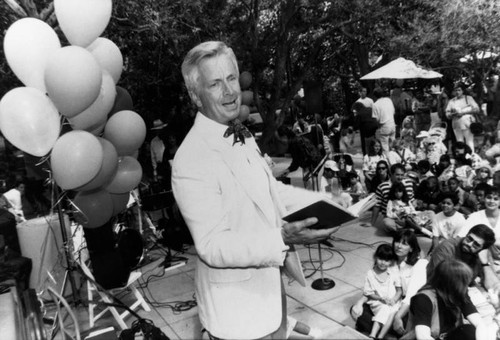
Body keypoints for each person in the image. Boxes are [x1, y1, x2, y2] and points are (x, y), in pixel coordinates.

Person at [171, 41, 339, 340]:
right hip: (237, 314)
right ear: (196, 96)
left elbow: (270, 190)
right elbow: (212, 245)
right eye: (215, 84)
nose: (230, 91)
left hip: (272, 294)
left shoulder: (242, 134)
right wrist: (281, 238)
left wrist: (327, 203)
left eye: (232, 78)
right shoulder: (191, 157)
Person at [352, 230, 427, 336]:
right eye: (397, 241)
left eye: (404, 244)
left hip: (409, 308)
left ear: (411, 248)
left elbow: (410, 297)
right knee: (357, 310)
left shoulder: (420, 264)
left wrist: (398, 317)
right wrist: (359, 303)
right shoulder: (388, 259)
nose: (399, 246)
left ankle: (384, 331)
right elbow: (373, 285)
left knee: (395, 320)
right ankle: (386, 332)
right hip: (389, 302)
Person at [402, 260, 491, 340]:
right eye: (464, 282)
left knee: (469, 330)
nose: (467, 286)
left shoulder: (460, 294)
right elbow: (422, 336)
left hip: (446, 336)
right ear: (452, 283)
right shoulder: (423, 298)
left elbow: (480, 324)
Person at [363, 244, 403, 339]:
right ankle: (373, 334)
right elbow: (369, 293)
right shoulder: (370, 274)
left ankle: (379, 336)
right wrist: (381, 298)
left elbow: (399, 291)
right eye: (380, 259)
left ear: (391, 262)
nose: (383, 263)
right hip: (378, 302)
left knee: (392, 311)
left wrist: (393, 300)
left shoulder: (393, 271)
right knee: (385, 308)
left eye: (387, 260)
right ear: (375, 257)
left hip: (393, 301)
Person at [371, 163, 414, 231]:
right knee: (387, 223)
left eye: (402, 175)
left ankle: (407, 228)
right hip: (392, 217)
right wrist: (372, 223)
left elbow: (411, 201)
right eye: (397, 175)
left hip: (408, 216)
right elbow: (377, 205)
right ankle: (409, 229)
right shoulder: (382, 186)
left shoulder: (409, 183)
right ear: (391, 174)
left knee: (430, 213)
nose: (400, 177)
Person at [445, 82, 480, 151]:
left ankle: (471, 158)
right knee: (459, 143)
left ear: (463, 90)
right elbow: (447, 113)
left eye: (459, 90)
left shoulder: (468, 98)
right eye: (456, 90)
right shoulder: (452, 101)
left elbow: (477, 109)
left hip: (467, 124)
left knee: (469, 142)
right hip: (456, 124)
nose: (457, 92)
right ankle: (462, 159)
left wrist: (463, 113)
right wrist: (452, 114)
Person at [372, 87, 396, 154]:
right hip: (392, 124)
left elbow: (376, 119)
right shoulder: (388, 100)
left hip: (384, 126)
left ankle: (388, 161)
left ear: (375, 96)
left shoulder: (375, 104)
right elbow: (393, 112)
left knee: (385, 147)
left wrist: (378, 126)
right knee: (393, 145)